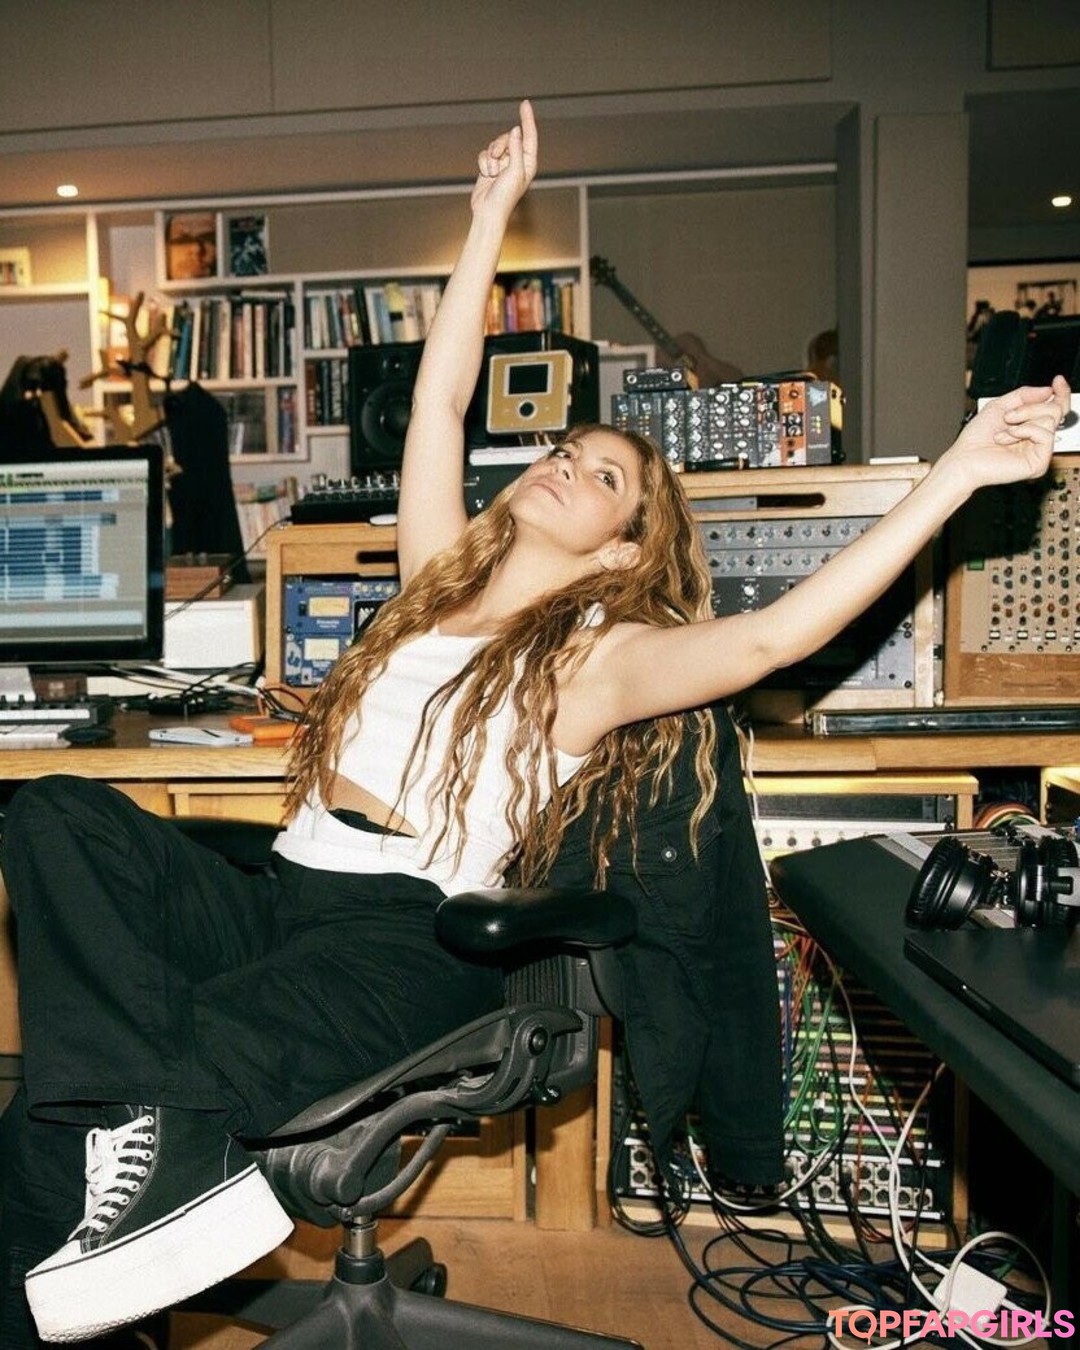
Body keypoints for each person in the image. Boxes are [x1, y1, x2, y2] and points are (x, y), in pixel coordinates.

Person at [0, 101, 1071, 1349]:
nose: (568, 463)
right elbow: (439, 405)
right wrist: (489, 216)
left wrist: (953, 473)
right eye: (567, 447)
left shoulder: (596, 661)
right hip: (284, 890)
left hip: (402, 937)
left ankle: (134, 1177)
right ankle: (153, 1164)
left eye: (606, 474)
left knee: (69, 1118)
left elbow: (773, 641)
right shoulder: (431, 585)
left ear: (623, 548)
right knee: (58, 814)